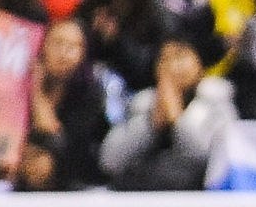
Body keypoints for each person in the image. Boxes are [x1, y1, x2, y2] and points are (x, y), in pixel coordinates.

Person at [98, 33, 236, 188]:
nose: (173, 66)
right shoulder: (143, 103)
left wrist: (177, 120)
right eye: (165, 59)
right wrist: (151, 124)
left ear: (199, 63)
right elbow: (110, 161)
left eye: (180, 57)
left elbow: (213, 159)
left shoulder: (217, 100)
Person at [26, 16, 118, 188]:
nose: (64, 53)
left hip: (70, 175)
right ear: (42, 46)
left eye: (73, 46)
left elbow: (58, 140)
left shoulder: (90, 93)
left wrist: (36, 92)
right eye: (57, 43)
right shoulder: (18, 82)